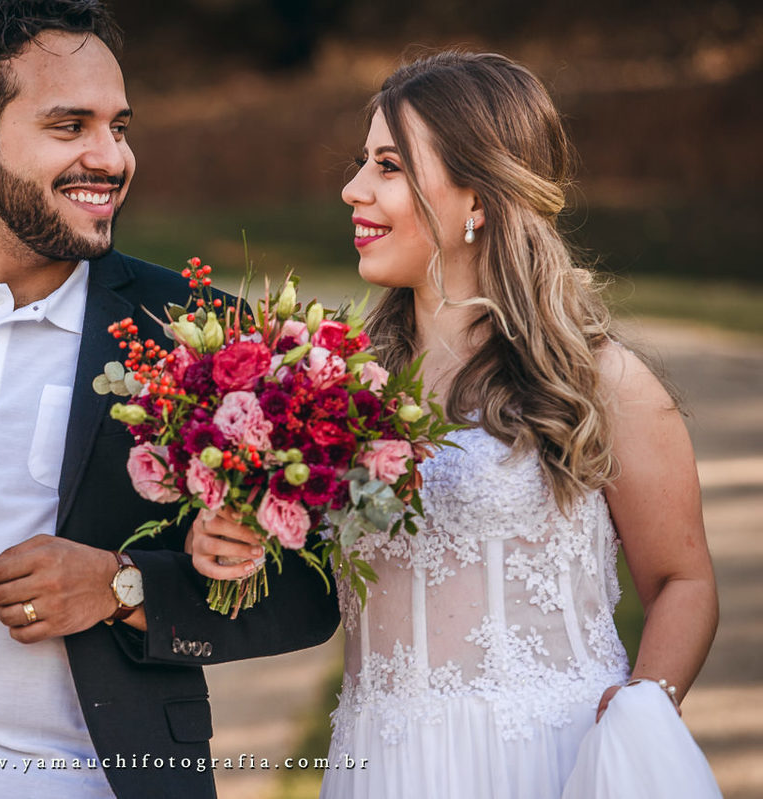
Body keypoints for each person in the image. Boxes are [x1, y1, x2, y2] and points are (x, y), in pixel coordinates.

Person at [0, 2, 340, 798]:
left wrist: (122, 584)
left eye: (119, 126)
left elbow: (306, 593)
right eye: (70, 126)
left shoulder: (195, 334)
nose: (109, 156)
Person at [188, 51, 720, 797]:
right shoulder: (334, 389)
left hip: (545, 756)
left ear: (478, 197)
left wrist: (639, 718)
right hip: (380, 759)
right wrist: (226, 538)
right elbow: (302, 582)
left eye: (388, 166)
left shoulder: (598, 379)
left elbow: (683, 578)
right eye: (361, 163)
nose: (352, 188)